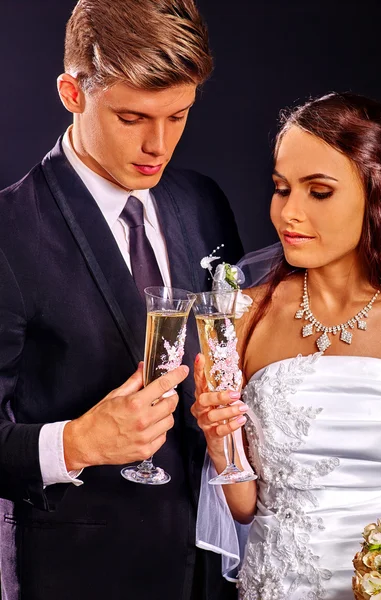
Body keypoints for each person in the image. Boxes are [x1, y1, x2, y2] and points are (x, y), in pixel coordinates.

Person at [0, 1, 242, 599]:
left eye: (178, 116)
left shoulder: (203, 200)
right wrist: (77, 442)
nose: (158, 145)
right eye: (132, 117)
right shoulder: (7, 231)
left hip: (210, 567)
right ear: (71, 93)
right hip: (77, 575)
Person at [191, 92, 381, 599]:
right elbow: (245, 506)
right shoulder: (240, 315)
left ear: (379, 193)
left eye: (319, 191)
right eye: (281, 188)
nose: (290, 212)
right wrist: (216, 436)